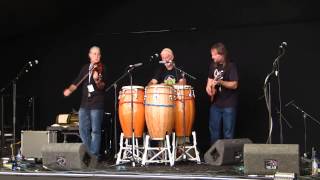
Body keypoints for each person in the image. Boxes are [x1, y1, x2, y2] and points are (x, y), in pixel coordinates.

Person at [63, 46, 106, 158]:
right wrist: (69, 90)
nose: (96, 56)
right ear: (89, 55)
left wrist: (97, 80)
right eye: (94, 54)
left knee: (95, 130)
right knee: (83, 129)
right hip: (84, 104)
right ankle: (88, 152)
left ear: (100, 56)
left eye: (98, 54)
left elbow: (102, 86)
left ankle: (94, 155)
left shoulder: (102, 68)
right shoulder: (85, 68)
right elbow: (76, 82)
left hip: (97, 104)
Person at [205, 42, 239, 145]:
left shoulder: (231, 66)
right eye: (212, 54)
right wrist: (210, 90)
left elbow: (235, 85)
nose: (212, 57)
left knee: (228, 133)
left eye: (214, 54)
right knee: (214, 132)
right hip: (215, 104)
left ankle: (226, 158)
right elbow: (208, 83)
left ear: (222, 54)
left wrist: (220, 82)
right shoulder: (212, 66)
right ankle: (215, 157)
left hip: (229, 104)